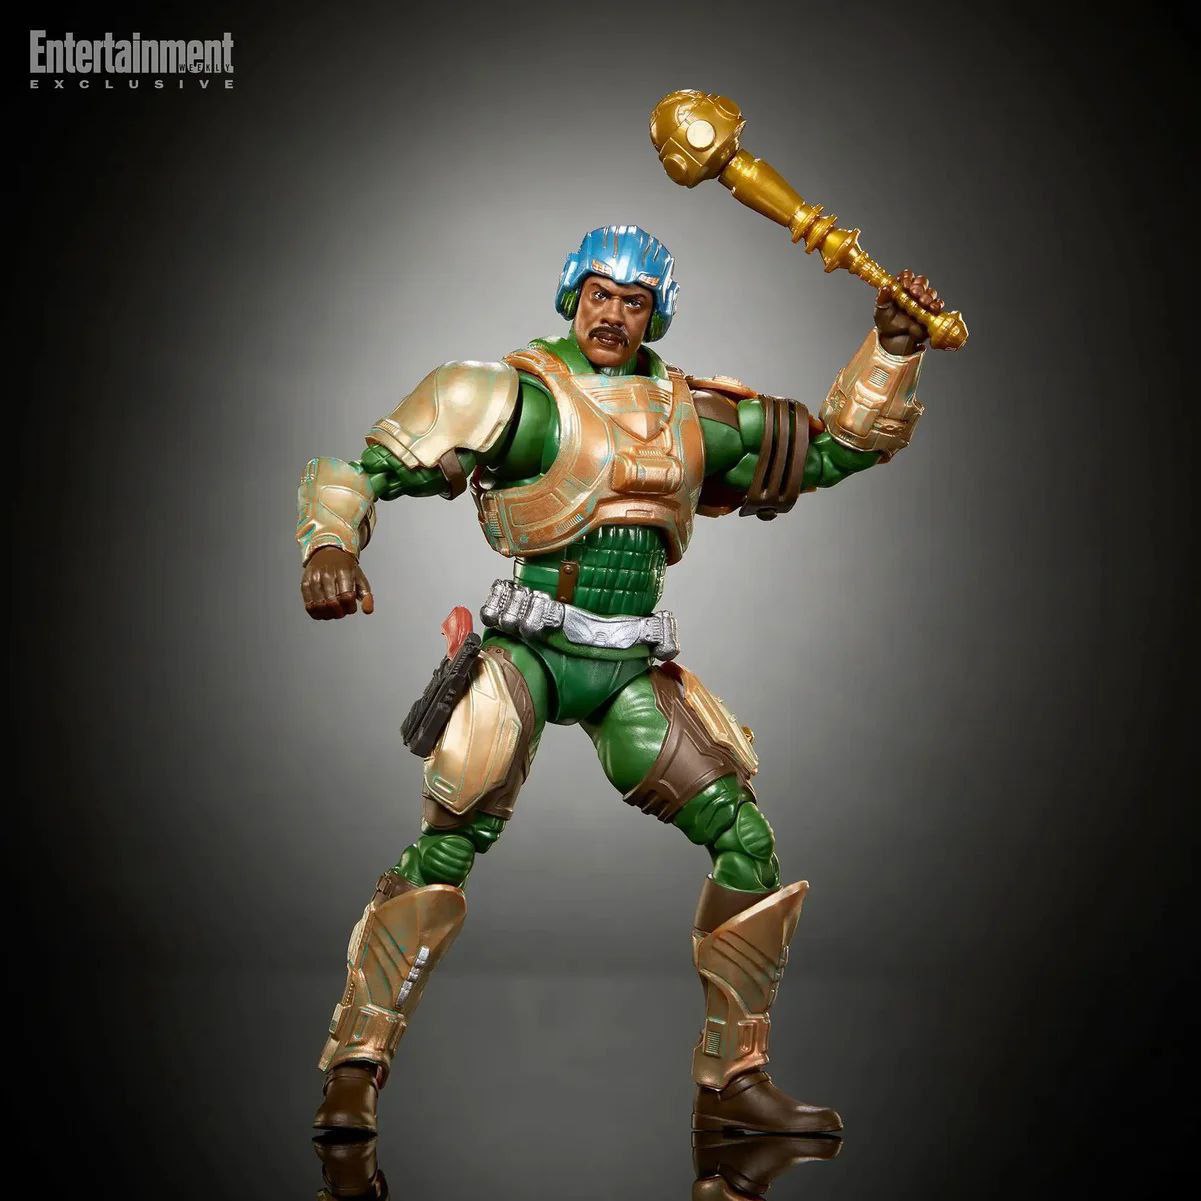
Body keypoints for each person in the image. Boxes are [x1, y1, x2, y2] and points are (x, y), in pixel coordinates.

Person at [297, 224, 943, 1135]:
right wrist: (330, 546)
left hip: (626, 664)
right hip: (528, 648)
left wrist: (892, 346)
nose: (612, 314)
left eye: (633, 302)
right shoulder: (510, 397)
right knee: (448, 836)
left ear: (655, 313)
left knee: (745, 841)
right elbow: (362, 470)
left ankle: (732, 1080)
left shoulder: (692, 415)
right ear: (573, 296)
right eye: (599, 294)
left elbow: (831, 449)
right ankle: (354, 1066)